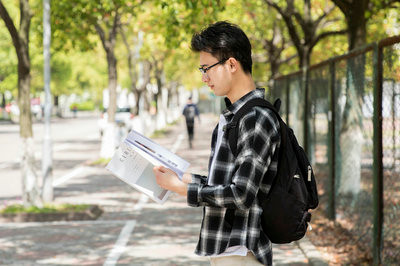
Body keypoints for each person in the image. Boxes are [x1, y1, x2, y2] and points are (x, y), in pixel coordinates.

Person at [153, 21, 280, 266]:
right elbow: (229, 184)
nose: (203, 78)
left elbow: (241, 194)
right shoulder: (236, 116)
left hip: (241, 252)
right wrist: (184, 178)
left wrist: (181, 189)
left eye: (206, 68)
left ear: (231, 64)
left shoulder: (255, 119)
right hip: (228, 251)